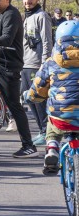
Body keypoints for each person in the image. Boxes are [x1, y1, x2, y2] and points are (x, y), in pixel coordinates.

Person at [0, 0, 36, 157]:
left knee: (14, 104)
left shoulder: (12, 14)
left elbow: (6, 38)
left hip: (8, 65)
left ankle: (28, 146)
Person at [27, 20, 79, 175]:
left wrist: (29, 96)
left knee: (52, 122)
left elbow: (38, 89)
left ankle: (52, 149)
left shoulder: (51, 62)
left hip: (61, 117)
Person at [19, 0, 53, 143]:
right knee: (28, 98)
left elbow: (47, 41)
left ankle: (45, 131)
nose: (28, 1)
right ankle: (42, 129)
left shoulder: (42, 16)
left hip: (37, 65)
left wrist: (44, 64)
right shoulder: (26, 17)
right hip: (25, 64)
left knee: (39, 99)